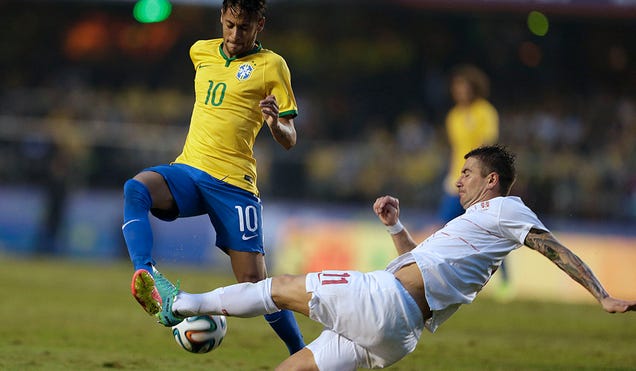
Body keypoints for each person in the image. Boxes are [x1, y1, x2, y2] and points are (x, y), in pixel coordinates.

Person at [151, 145, 636, 370]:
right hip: (396, 334)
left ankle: (182, 304)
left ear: (491, 180)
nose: (458, 181)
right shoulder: (474, 229)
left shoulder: (506, 208)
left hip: (383, 304)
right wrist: (394, 227)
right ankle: (189, 304)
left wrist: (602, 295)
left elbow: (553, 248)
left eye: (467, 173)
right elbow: (418, 262)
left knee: (276, 288)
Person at [121, 0, 304, 354]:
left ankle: (301, 353)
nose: (236, 34)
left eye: (245, 27)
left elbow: (290, 139)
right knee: (136, 188)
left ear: (260, 25)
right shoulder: (200, 52)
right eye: (231, 24)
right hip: (188, 170)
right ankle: (148, 275)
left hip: (234, 185)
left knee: (255, 285)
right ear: (221, 17)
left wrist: (274, 124)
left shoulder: (272, 66)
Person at [436, 64, 512, 298]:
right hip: (457, 180)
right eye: (456, 87)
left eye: (464, 87)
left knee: (489, 231)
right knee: (446, 228)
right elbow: (455, 149)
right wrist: (452, 176)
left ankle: (505, 282)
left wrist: (481, 178)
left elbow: (487, 147)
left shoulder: (485, 112)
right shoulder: (454, 116)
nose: (459, 92)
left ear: (474, 88)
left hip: (479, 182)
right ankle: (447, 279)